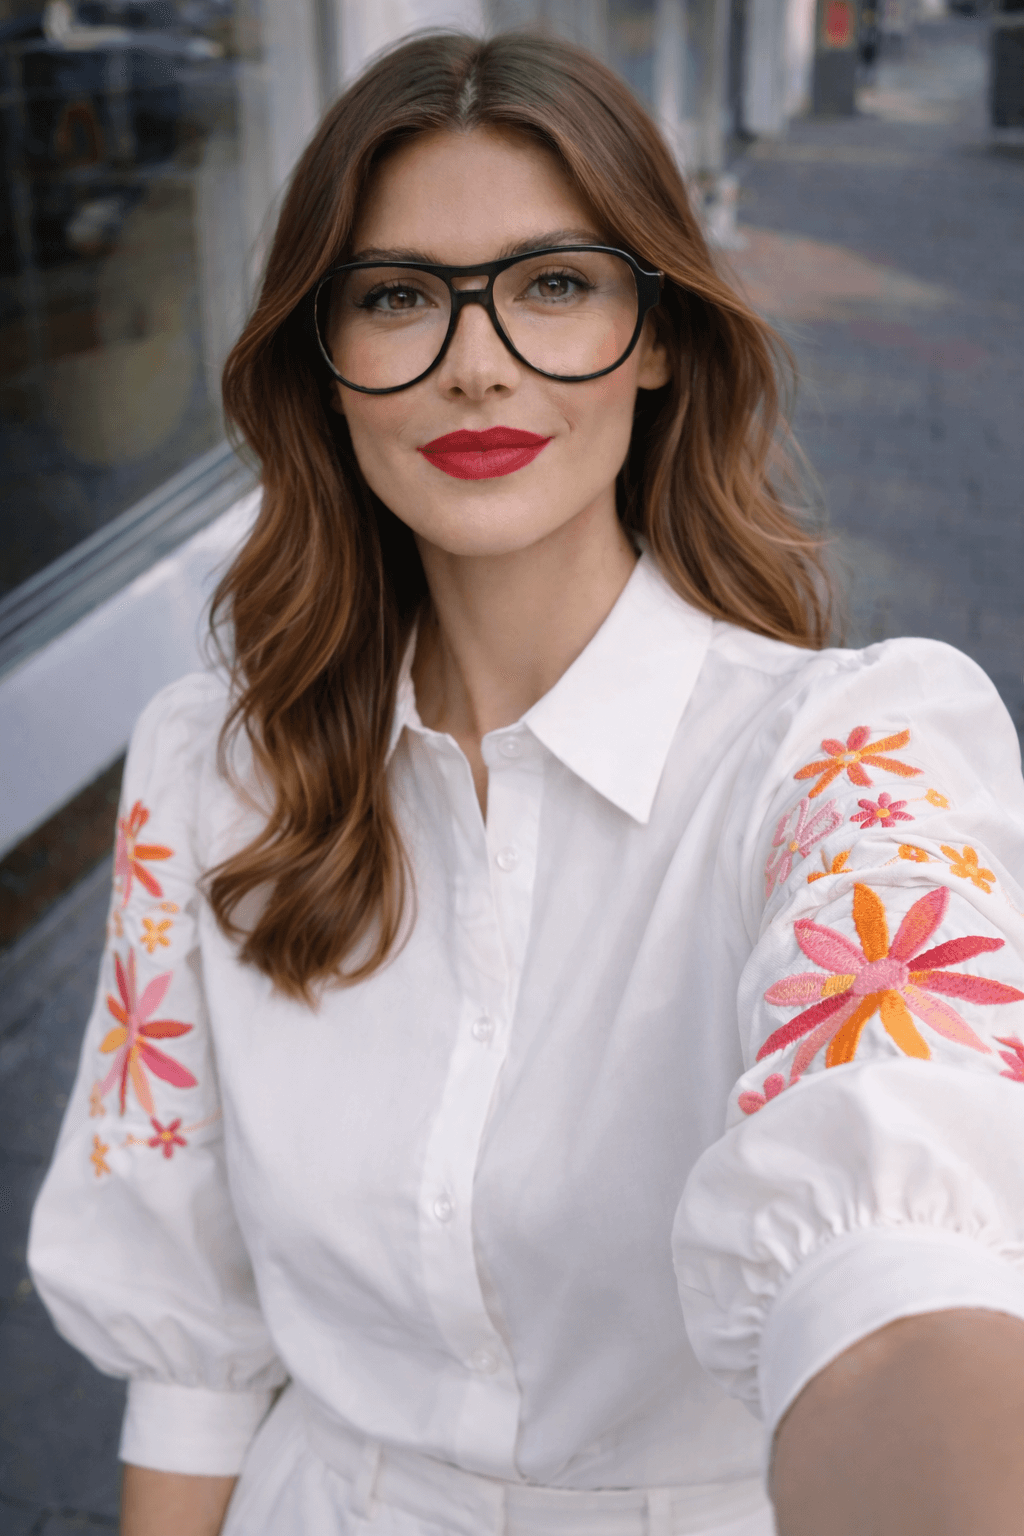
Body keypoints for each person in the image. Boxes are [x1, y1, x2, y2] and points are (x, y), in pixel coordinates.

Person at [28, 29, 1024, 1536]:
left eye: (555, 284)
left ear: (662, 331)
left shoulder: (847, 756)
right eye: (396, 298)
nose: (477, 358)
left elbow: (900, 1273)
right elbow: (191, 1333)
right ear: (328, 363)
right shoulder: (212, 768)